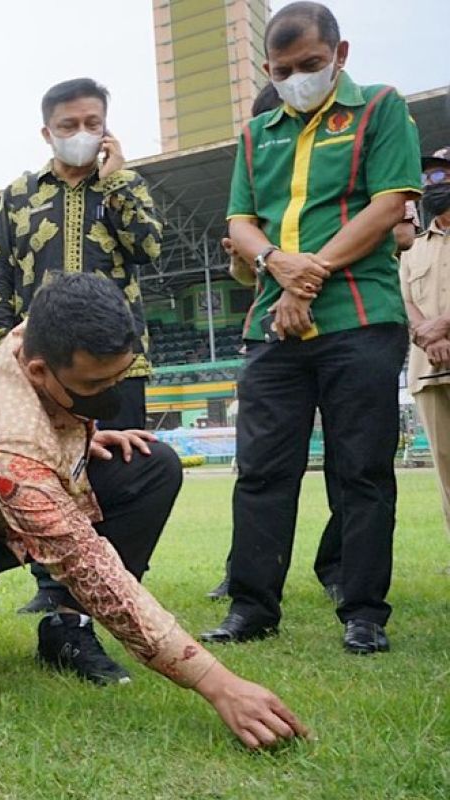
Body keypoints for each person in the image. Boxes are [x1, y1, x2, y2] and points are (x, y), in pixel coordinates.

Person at [0, 273, 309, 750]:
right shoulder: (2, 431)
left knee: (151, 465)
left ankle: (67, 627)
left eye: (119, 376)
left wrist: (78, 441)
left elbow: (46, 424)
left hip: (29, 483)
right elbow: (90, 566)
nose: (109, 393)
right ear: (40, 371)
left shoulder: (44, 331)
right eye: (95, 384)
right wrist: (218, 683)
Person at [202, 1, 422, 654]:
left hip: (360, 318)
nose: (298, 76)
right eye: (285, 68)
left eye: (312, 65)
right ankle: (251, 607)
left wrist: (309, 274)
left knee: (361, 470)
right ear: (267, 68)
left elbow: (389, 205)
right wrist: (274, 261)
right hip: (275, 327)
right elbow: (240, 221)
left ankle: (363, 614)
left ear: (340, 55)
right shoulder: (256, 134)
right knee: (262, 470)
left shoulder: (380, 109)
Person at [0, 77, 163, 617]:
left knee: (120, 471)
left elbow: (150, 247)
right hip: (46, 369)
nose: (81, 134)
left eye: (92, 123)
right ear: (47, 132)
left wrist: (118, 183)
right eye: (68, 126)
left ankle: (119, 583)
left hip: (117, 363)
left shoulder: (127, 186)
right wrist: (3, 352)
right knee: (50, 475)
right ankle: (52, 587)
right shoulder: (19, 194)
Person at [400, 147, 450, 564]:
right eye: (430, 178)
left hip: (440, 343)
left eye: (443, 176)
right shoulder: (412, 248)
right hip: (428, 368)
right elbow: (406, 301)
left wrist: (443, 326)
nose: (436, 185)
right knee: (446, 467)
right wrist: (428, 334)